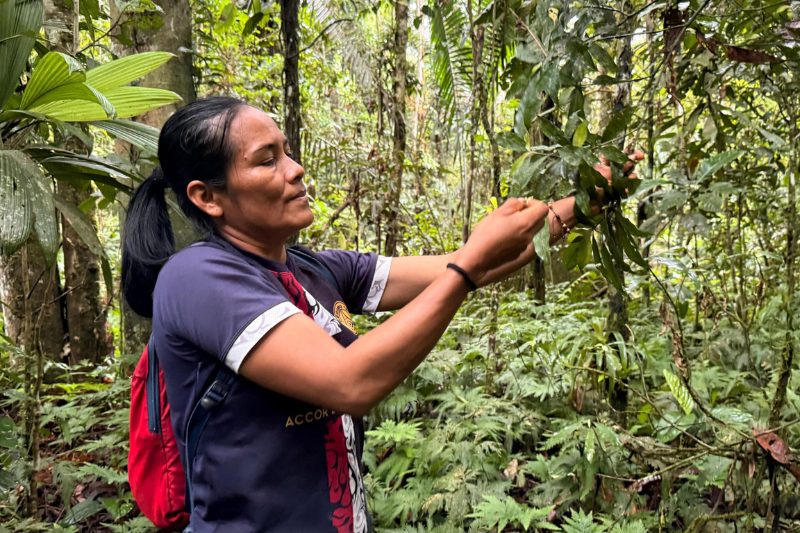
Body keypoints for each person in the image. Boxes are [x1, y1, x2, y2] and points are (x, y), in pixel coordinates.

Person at [122, 96, 641, 533]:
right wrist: (465, 270)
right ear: (207, 197)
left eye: (287, 151)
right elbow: (351, 381)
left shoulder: (314, 270)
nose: (296, 168)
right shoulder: (196, 277)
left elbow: (469, 265)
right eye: (267, 160)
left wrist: (583, 201)